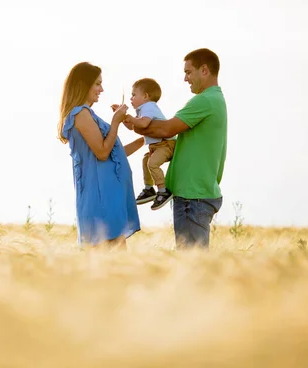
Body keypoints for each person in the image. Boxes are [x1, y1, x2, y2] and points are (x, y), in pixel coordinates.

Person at [133, 48, 227, 249]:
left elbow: (166, 128)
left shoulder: (205, 100)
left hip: (193, 196)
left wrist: (134, 123)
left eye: (188, 72)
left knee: (191, 265)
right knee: (194, 264)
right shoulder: (215, 99)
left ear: (204, 70)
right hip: (197, 193)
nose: (185, 78)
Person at [58, 62, 143, 248]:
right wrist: (115, 122)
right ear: (83, 85)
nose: (101, 89)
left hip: (109, 197)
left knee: (116, 265)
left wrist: (144, 141)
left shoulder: (88, 114)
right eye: (97, 84)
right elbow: (103, 152)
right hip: (100, 199)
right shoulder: (80, 114)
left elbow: (115, 154)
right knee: (109, 262)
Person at [123, 78, 176, 210]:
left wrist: (130, 118)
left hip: (166, 144)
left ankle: (163, 191)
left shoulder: (149, 107)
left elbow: (143, 124)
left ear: (146, 96)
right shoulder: (143, 110)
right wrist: (124, 118)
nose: (131, 98)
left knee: (152, 163)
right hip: (157, 146)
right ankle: (149, 188)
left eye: (134, 95)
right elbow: (133, 127)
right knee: (146, 160)